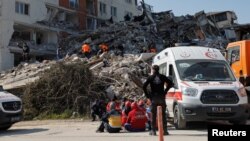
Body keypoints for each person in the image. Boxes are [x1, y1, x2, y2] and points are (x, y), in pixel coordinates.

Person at [143, 65, 173, 136]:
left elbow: (144, 86)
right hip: (161, 97)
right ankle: (165, 131)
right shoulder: (162, 77)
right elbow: (171, 83)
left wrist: (147, 95)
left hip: (154, 98)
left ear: (153, 70)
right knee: (163, 114)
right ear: (158, 69)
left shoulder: (150, 77)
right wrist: (165, 91)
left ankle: (153, 131)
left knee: (153, 114)